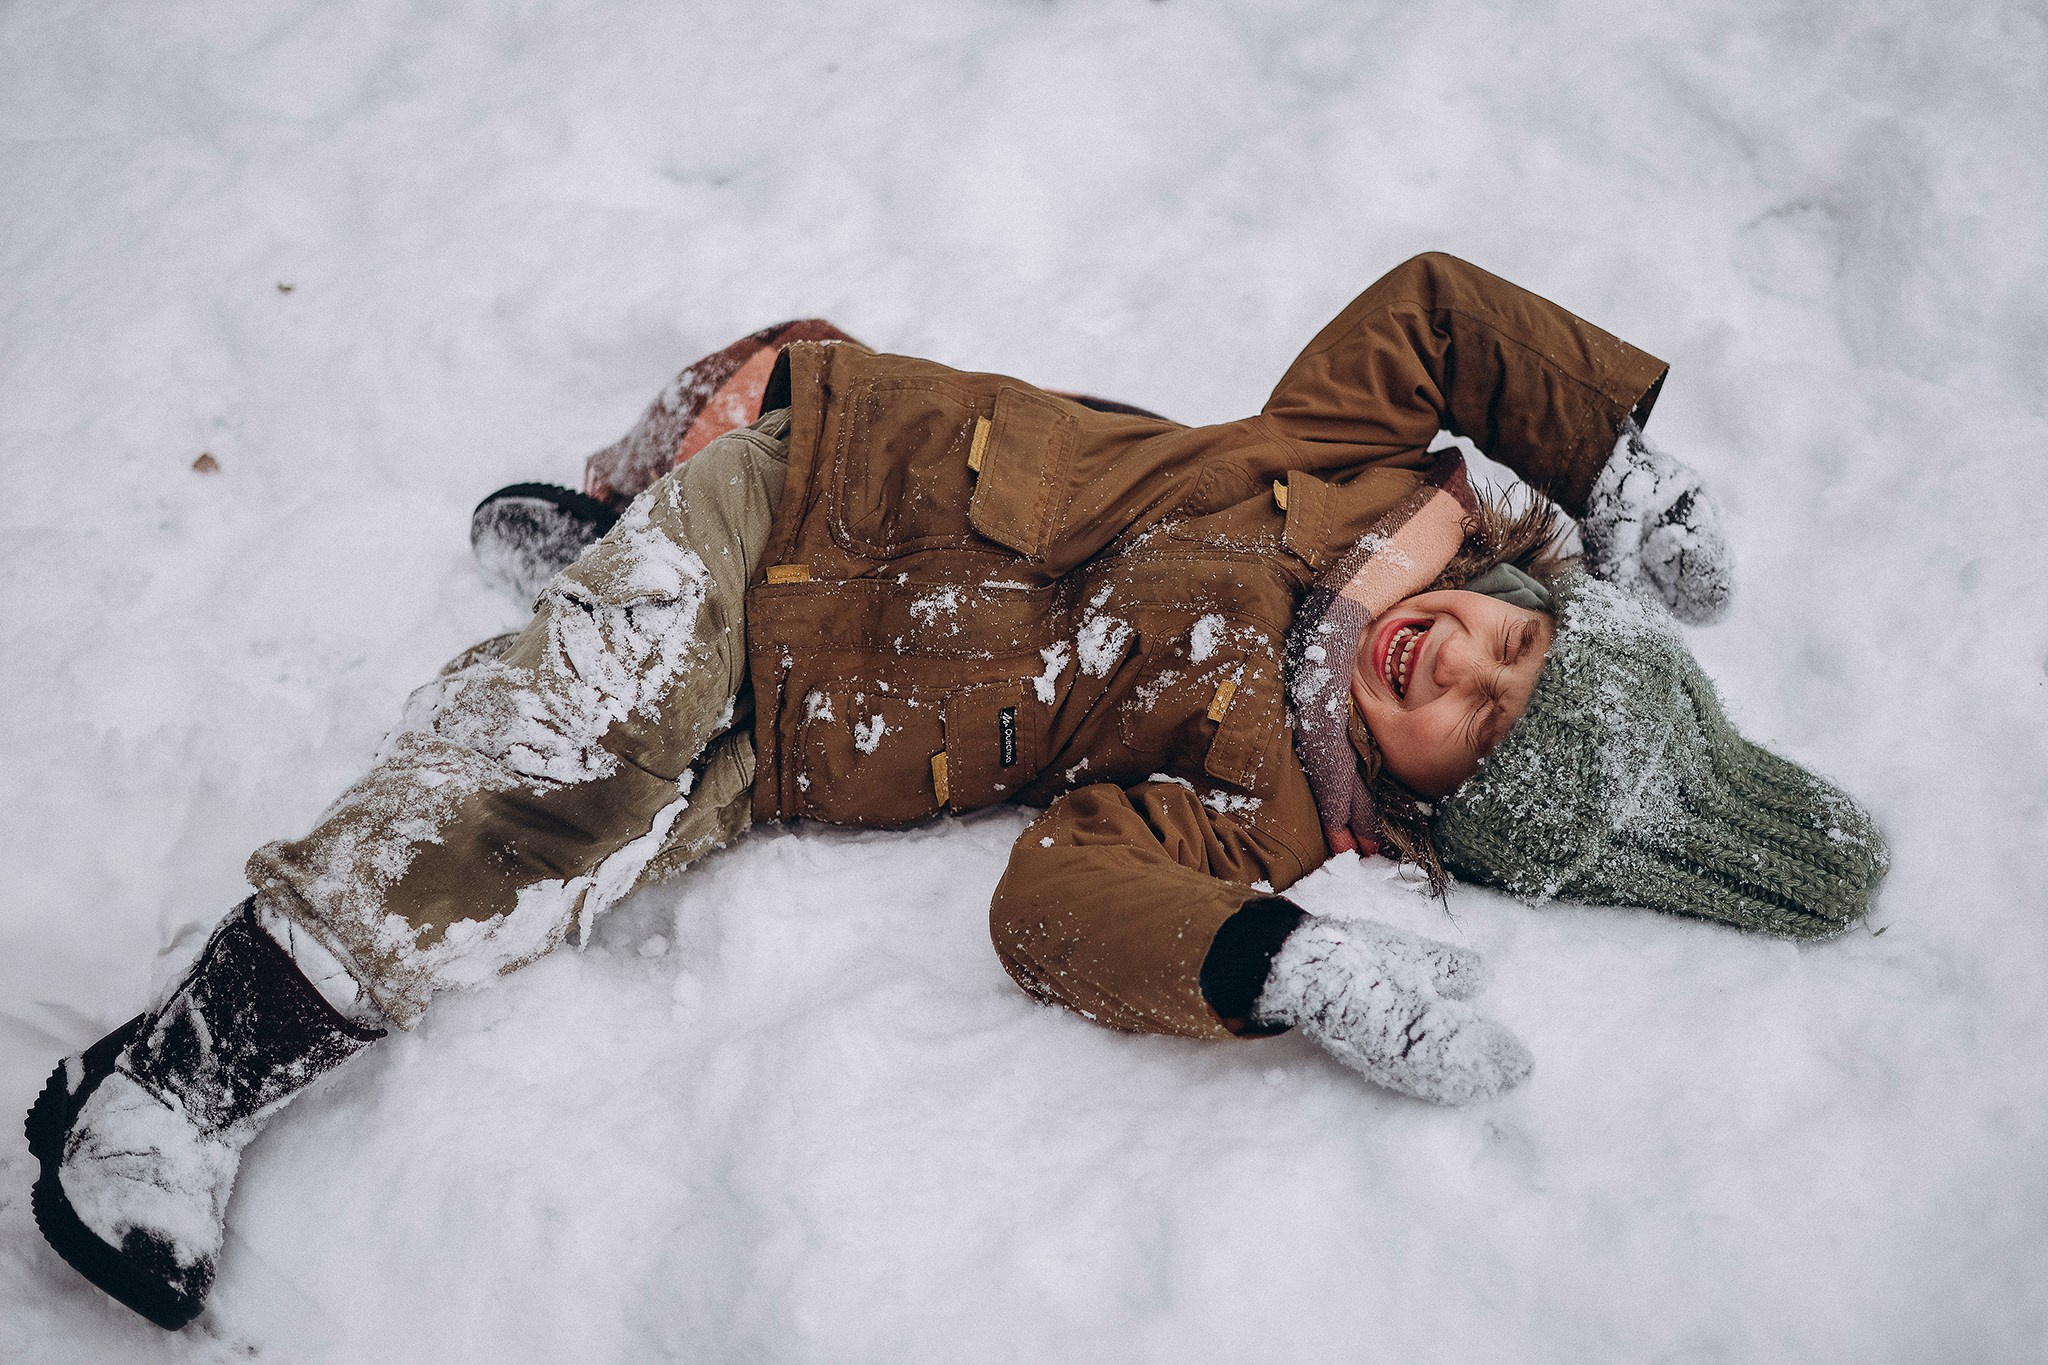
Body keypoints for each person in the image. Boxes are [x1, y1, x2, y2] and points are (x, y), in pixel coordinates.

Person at [26, 253, 1889, 1330]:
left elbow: (1056, 901)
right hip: (819, 490)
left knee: (584, 861)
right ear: (1519, 588)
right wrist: (1611, 448)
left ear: (1446, 812)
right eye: (1512, 648)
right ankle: (176, 1081)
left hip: (799, 741)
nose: (1457, 670)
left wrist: (1275, 963)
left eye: (1477, 730)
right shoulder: (1342, 463)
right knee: (557, 763)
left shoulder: (1270, 805)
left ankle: (605, 540)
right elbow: (1436, 308)